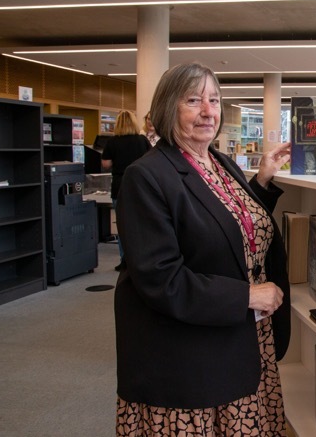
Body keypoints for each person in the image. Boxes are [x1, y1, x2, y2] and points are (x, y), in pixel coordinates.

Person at [113, 62, 293, 436]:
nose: (209, 111)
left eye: (214, 99)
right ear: (167, 107)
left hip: (241, 339)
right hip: (190, 359)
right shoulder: (146, 176)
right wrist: (246, 295)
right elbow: (161, 279)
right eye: (193, 100)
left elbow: (225, 227)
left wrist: (260, 181)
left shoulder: (219, 162)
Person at [101, 110, 151, 270]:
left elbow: (106, 164)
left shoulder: (112, 142)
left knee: (122, 224)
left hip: (119, 184)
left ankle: (125, 260)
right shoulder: (142, 140)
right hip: (140, 185)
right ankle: (143, 257)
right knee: (143, 222)